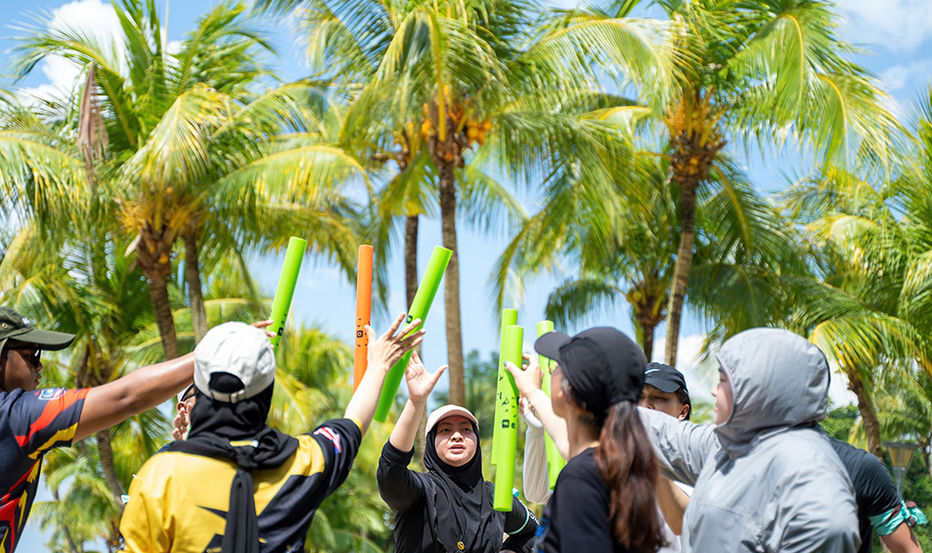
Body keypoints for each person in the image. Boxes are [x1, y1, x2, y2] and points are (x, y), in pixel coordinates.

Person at [118, 312, 424, 553]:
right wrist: (379, 364)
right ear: (267, 392)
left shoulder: (161, 475)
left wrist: (184, 447)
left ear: (200, 389)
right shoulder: (307, 460)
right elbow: (354, 421)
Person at [0, 305, 203, 553]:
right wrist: (215, 353)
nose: (39, 367)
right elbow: (127, 397)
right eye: (32, 355)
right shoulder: (15, 417)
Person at [637, 327, 860, 552]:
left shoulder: (807, 471)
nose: (714, 390)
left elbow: (830, 528)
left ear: (758, 390)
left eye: (724, 380)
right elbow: (667, 435)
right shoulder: (733, 445)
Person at [377, 351, 538, 553]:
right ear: (431, 443)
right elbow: (390, 473)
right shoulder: (421, 491)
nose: (456, 436)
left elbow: (534, 532)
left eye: (465, 429)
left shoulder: (495, 497)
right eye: (445, 430)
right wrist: (416, 401)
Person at [527, 326, 666, 553]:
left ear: (567, 390)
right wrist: (532, 393)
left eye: (558, 367)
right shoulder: (621, 465)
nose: (550, 371)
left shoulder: (580, 477)